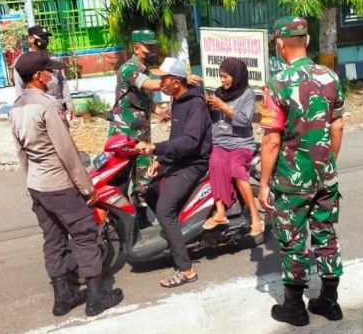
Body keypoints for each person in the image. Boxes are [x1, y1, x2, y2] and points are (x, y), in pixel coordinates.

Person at [10, 52, 123, 317]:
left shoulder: (15, 108)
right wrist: (86, 187)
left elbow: (21, 153)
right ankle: (96, 298)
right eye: (48, 72)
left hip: (37, 185)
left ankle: (63, 298)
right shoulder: (48, 106)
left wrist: (32, 183)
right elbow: (67, 153)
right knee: (85, 235)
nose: (51, 77)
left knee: (53, 239)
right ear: (38, 77)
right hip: (59, 184)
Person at [258, 17, 345, 327]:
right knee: (325, 234)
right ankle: (330, 302)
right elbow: (337, 125)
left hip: (292, 180)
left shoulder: (277, 84)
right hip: (325, 174)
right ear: (307, 41)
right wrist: (327, 163)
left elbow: (271, 140)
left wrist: (264, 183)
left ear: (280, 44)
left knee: (293, 240)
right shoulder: (331, 77)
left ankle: (295, 308)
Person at [110, 30, 202, 229]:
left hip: (142, 135)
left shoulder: (144, 68)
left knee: (143, 177)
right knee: (120, 180)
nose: (153, 50)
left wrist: (158, 111)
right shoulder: (129, 69)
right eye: (148, 46)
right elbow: (150, 85)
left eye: (154, 46)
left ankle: (140, 218)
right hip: (124, 135)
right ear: (136, 48)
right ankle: (117, 220)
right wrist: (177, 80)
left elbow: (141, 99)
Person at [134, 57, 212, 288]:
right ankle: (178, 232)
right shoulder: (177, 101)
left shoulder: (195, 104)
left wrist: (155, 148)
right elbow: (176, 139)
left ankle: (185, 270)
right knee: (146, 189)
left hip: (194, 162)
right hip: (179, 159)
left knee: (164, 210)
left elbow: (190, 142)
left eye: (164, 79)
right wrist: (160, 160)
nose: (161, 83)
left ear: (176, 81)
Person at [202, 58, 264, 236]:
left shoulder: (248, 94)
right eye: (221, 77)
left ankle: (255, 217)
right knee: (215, 164)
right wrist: (208, 106)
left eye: (226, 77)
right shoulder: (217, 92)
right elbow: (213, 118)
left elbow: (244, 120)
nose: (223, 81)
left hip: (241, 143)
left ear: (237, 76)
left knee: (236, 169)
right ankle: (220, 212)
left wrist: (222, 105)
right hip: (220, 142)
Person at [13, 25, 73, 116]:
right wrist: (21, 111)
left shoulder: (53, 59)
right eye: (42, 37)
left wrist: (69, 105)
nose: (45, 40)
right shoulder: (22, 61)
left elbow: (63, 82)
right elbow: (19, 87)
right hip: (37, 110)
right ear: (31, 39)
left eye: (46, 38)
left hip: (58, 107)